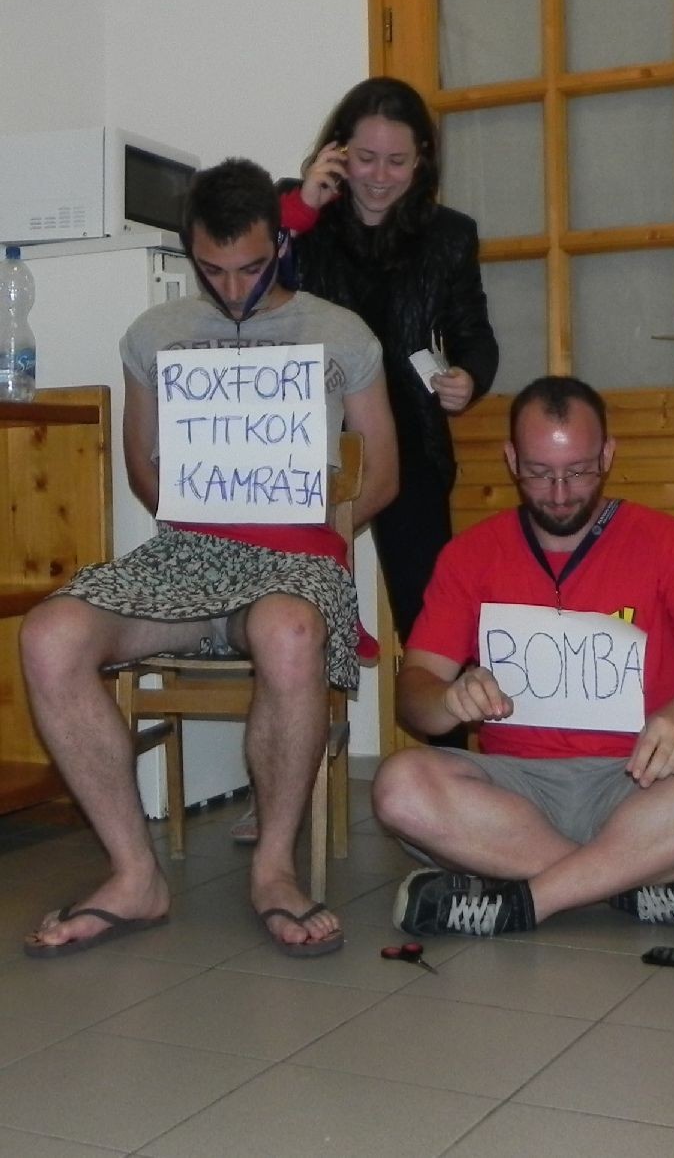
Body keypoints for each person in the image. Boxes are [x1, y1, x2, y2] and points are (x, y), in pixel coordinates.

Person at [19, 157, 398, 960]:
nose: (231, 288)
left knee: (291, 629)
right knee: (48, 634)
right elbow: (143, 469)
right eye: (211, 269)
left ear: (280, 244)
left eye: (250, 267)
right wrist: (209, 508)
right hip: (188, 553)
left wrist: (313, 531)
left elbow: (383, 475)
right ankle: (134, 874)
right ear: (191, 249)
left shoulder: (341, 335)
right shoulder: (153, 335)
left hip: (295, 559)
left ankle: (274, 869)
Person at [372, 375, 674, 939]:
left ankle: (530, 899)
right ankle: (634, 881)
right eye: (539, 473)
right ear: (512, 460)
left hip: (639, 782)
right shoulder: (470, 556)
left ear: (607, 456)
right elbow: (415, 691)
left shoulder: (666, 543)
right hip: (517, 793)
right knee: (399, 786)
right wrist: (447, 699)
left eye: (579, 471)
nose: (560, 493)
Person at [278, 76, 498, 647]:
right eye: (365, 158)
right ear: (337, 153)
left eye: (397, 161)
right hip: (305, 430)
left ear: (421, 159)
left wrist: (470, 377)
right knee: (293, 599)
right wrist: (303, 208)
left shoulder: (449, 235)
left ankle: (440, 707)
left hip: (407, 433)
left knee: (430, 612)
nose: (379, 176)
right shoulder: (296, 211)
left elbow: (475, 333)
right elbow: (246, 283)